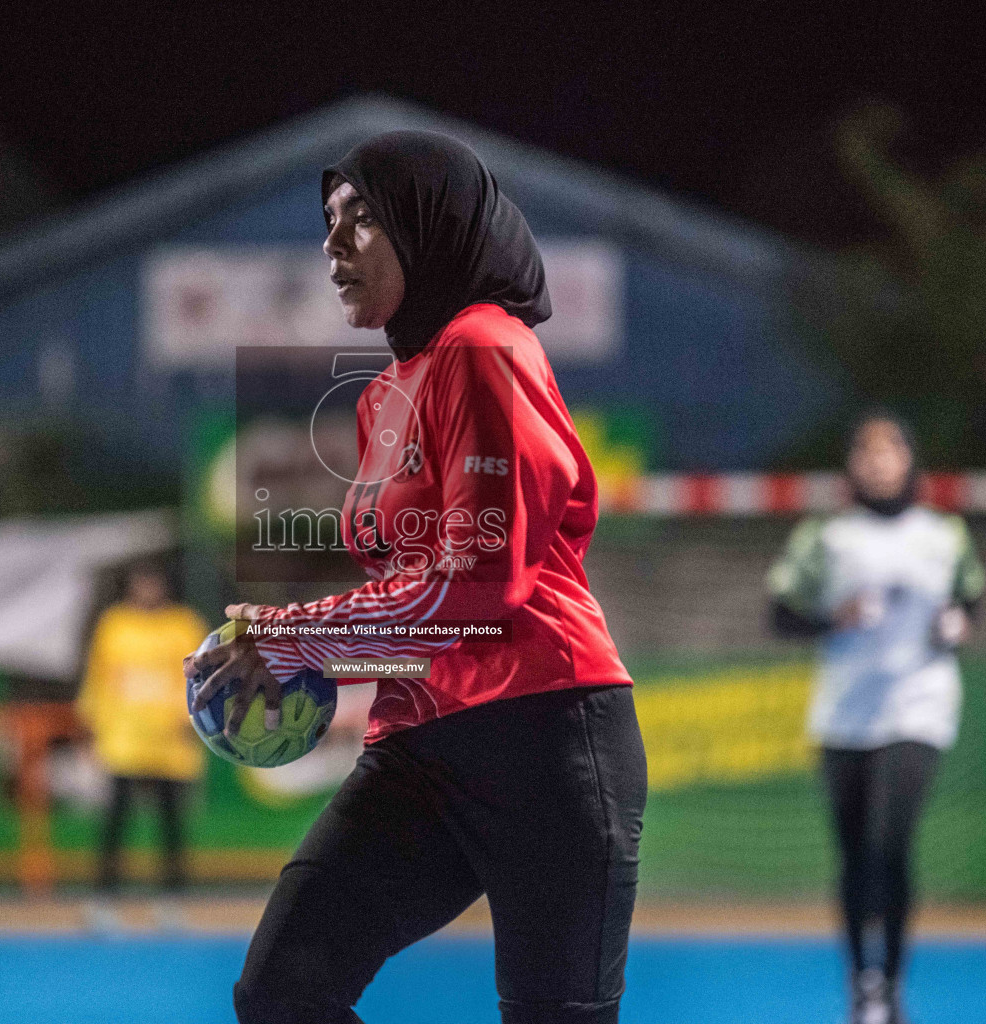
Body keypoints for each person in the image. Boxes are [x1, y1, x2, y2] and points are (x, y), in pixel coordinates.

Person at [188, 130, 646, 1024]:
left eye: (360, 218)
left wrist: (294, 638)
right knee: (282, 993)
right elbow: (416, 586)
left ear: (426, 227)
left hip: (545, 738)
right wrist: (288, 642)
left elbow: (477, 587)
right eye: (328, 221)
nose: (333, 243)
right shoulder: (386, 390)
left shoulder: (487, 351)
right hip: (424, 743)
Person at [769, 412, 986, 1024]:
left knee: (891, 840)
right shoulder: (825, 538)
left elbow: (971, 599)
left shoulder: (946, 536)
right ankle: (860, 986)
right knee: (854, 854)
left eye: (891, 448)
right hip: (844, 711)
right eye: (865, 449)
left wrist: (958, 624)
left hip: (920, 704)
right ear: (850, 465)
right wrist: (832, 618)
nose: (877, 460)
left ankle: (888, 983)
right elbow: (780, 614)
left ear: (910, 459)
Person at [77, 562, 208, 894]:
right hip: (123, 742)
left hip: (171, 742)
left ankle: (173, 898)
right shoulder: (114, 624)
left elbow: (202, 678)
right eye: (142, 581)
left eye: (155, 581)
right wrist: (91, 726)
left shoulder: (184, 625)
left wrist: (195, 721)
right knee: (115, 823)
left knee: (171, 825)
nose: (148, 588)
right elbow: (97, 677)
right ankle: (104, 897)